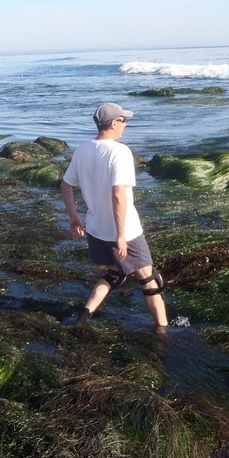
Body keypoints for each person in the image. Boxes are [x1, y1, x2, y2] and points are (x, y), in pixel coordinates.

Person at [60, 102, 168, 328]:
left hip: (96, 229)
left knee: (114, 274)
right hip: (125, 232)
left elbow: (66, 184)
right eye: (123, 120)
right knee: (149, 279)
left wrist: (73, 216)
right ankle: (163, 331)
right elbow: (118, 194)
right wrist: (121, 236)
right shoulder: (120, 152)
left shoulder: (82, 150)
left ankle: (85, 315)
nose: (126, 124)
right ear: (113, 123)